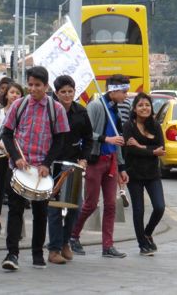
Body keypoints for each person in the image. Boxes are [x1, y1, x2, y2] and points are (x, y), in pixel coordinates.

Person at [0, 66, 70, 271]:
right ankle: (12, 254)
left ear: (46, 86)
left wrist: (47, 163)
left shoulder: (56, 109)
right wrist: (16, 157)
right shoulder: (19, 105)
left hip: (41, 170)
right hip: (19, 168)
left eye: (37, 85)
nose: (33, 89)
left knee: (40, 213)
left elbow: (60, 140)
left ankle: (37, 253)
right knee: (15, 210)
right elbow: (7, 134)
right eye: (30, 85)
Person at [70, 74, 130, 259]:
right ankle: (73, 235)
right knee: (90, 204)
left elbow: (118, 140)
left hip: (111, 161)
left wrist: (122, 167)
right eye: (124, 91)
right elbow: (87, 134)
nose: (126, 95)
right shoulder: (95, 106)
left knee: (111, 205)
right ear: (113, 91)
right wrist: (106, 139)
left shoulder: (117, 110)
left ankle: (108, 245)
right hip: (95, 161)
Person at [47, 75, 93, 264]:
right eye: (63, 92)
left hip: (73, 165)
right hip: (52, 165)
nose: (67, 95)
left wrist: (84, 158)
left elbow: (89, 138)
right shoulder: (50, 111)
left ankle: (66, 242)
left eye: (70, 91)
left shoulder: (81, 112)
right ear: (56, 93)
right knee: (54, 210)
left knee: (76, 207)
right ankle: (54, 249)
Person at [122, 92, 166, 256]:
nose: (144, 108)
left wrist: (140, 147)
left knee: (159, 207)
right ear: (134, 108)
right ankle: (142, 244)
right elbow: (130, 150)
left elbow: (161, 149)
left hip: (152, 174)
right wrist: (151, 151)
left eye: (147, 105)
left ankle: (147, 233)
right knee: (138, 210)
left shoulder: (155, 125)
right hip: (134, 174)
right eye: (140, 105)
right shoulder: (128, 126)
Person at [0, 82, 24, 235]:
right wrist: (4, 148)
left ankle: (16, 224)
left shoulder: (24, 113)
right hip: (0, 154)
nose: (15, 95)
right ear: (6, 95)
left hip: (19, 156)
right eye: (12, 92)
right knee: (0, 189)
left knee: (16, 189)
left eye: (18, 93)